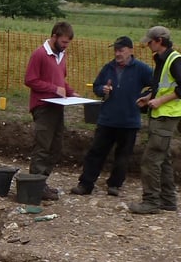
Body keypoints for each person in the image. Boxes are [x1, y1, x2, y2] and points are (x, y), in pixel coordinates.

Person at [70, 36, 153, 197]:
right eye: (116, 50)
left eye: (121, 50)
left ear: (131, 50)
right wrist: (102, 89)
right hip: (107, 119)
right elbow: (96, 86)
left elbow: (156, 84)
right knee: (95, 152)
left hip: (129, 121)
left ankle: (115, 185)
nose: (117, 53)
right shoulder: (108, 67)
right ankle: (85, 184)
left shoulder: (141, 69)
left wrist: (147, 96)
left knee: (123, 156)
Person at [24, 21, 79, 201]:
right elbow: (30, 80)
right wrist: (54, 89)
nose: (65, 46)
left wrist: (71, 92)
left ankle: (42, 182)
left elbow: (61, 81)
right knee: (42, 146)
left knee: (56, 147)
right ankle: (35, 185)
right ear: (54, 36)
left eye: (67, 43)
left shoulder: (61, 56)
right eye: (63, 42)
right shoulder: (39, 54)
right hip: (43, 106)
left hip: (57, 106)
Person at [130, 26, 181, 214]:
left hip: (166, 115)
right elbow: (163, 86)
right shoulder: (162, 59)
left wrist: (160, 101)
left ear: (159, 40)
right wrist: (150, 95)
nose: (148, 45)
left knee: (151, 160)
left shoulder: (174, 60)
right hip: (162, 114)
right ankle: (168, 200)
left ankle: (151, 202)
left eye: (150, 42)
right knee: (164, 158)